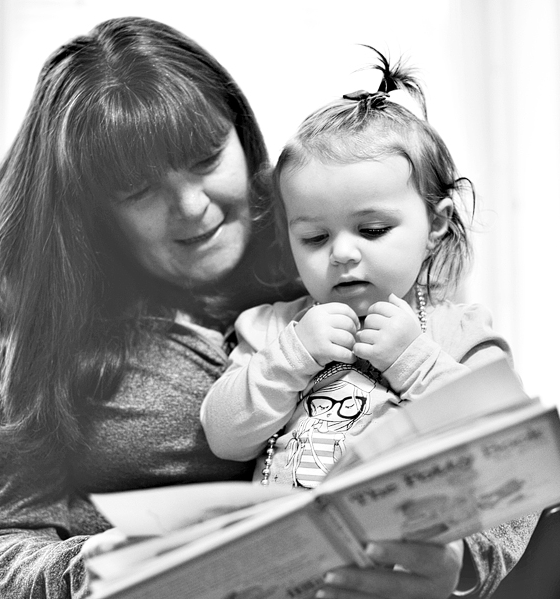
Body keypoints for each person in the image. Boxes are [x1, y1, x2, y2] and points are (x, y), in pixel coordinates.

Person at [0, 17, 531, 599]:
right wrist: (92, 567)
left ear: (240, 133)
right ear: (90, 208)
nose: (192, 207)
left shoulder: (331, 241)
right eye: (138, 190)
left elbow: (500, 459)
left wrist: (462, 568)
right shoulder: (31, 310)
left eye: (205, 158)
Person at [200, 50, 525, 594]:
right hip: (276, 572)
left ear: (437, 225)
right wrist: (291, 356)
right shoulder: (273, 327)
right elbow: (224, 436)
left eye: (371, 230)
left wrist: (414, 361)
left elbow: (502, 450)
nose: (342, 254)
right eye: (315, 237)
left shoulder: (460, 333)